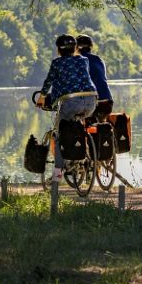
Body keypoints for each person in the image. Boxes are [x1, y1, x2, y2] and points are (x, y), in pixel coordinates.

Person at [37, 34, 98, 181]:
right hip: (91, 101)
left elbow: (49, 82)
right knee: (77, 126)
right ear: (75, 48)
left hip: (70, 103)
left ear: (59, 49)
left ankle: (57, 175)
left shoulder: (57, 63)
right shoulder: (84, 61)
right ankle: (84, 158)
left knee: (58, 134)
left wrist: (42, 97)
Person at [76, 34, 114, 122]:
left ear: (76, 47)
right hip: (107, 102)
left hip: (90, 103)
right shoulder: (99, 60)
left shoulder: (77, 61)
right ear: (91, 47)